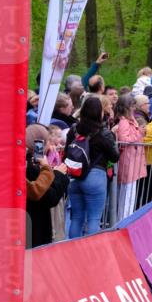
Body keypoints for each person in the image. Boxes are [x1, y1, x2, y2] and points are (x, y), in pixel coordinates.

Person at [65, 96, 119, 238]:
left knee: (76, 218)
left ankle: (71, 248)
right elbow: (115, 157)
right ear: (100, 113)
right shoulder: (104, 133)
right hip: (95, 177)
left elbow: (66, 151)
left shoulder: (74, 130)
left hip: (75, 176)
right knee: (93, 219)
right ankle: (90, 250)